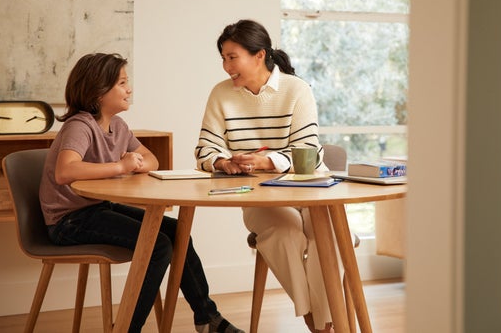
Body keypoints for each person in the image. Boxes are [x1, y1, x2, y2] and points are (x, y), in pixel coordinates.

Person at [39, 53, 244, 333]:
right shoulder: (80, 125)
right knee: (158, 245)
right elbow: (65, 170)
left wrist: (135, 163)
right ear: (98, 91)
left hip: (96, 209)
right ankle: (127, 327)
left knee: (177, 231)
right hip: (68, 221)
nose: (129, 89)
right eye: (122, 83)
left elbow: (151, 159)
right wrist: (119, 166)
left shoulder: (118, 127)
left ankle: (206, 317)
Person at [194, 19, 334, 333]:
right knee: (284, 232)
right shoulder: (221, 95)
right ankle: (319, 323)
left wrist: (265, 161)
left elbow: (307, 150)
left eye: (233, 57)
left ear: (259, 55)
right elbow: (204, 149)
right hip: (259, 196)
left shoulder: (297, 89)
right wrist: (223, 163)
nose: (226, 66)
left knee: (330, 237)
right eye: (223, 58)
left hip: (311, 188)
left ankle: (324, 321)